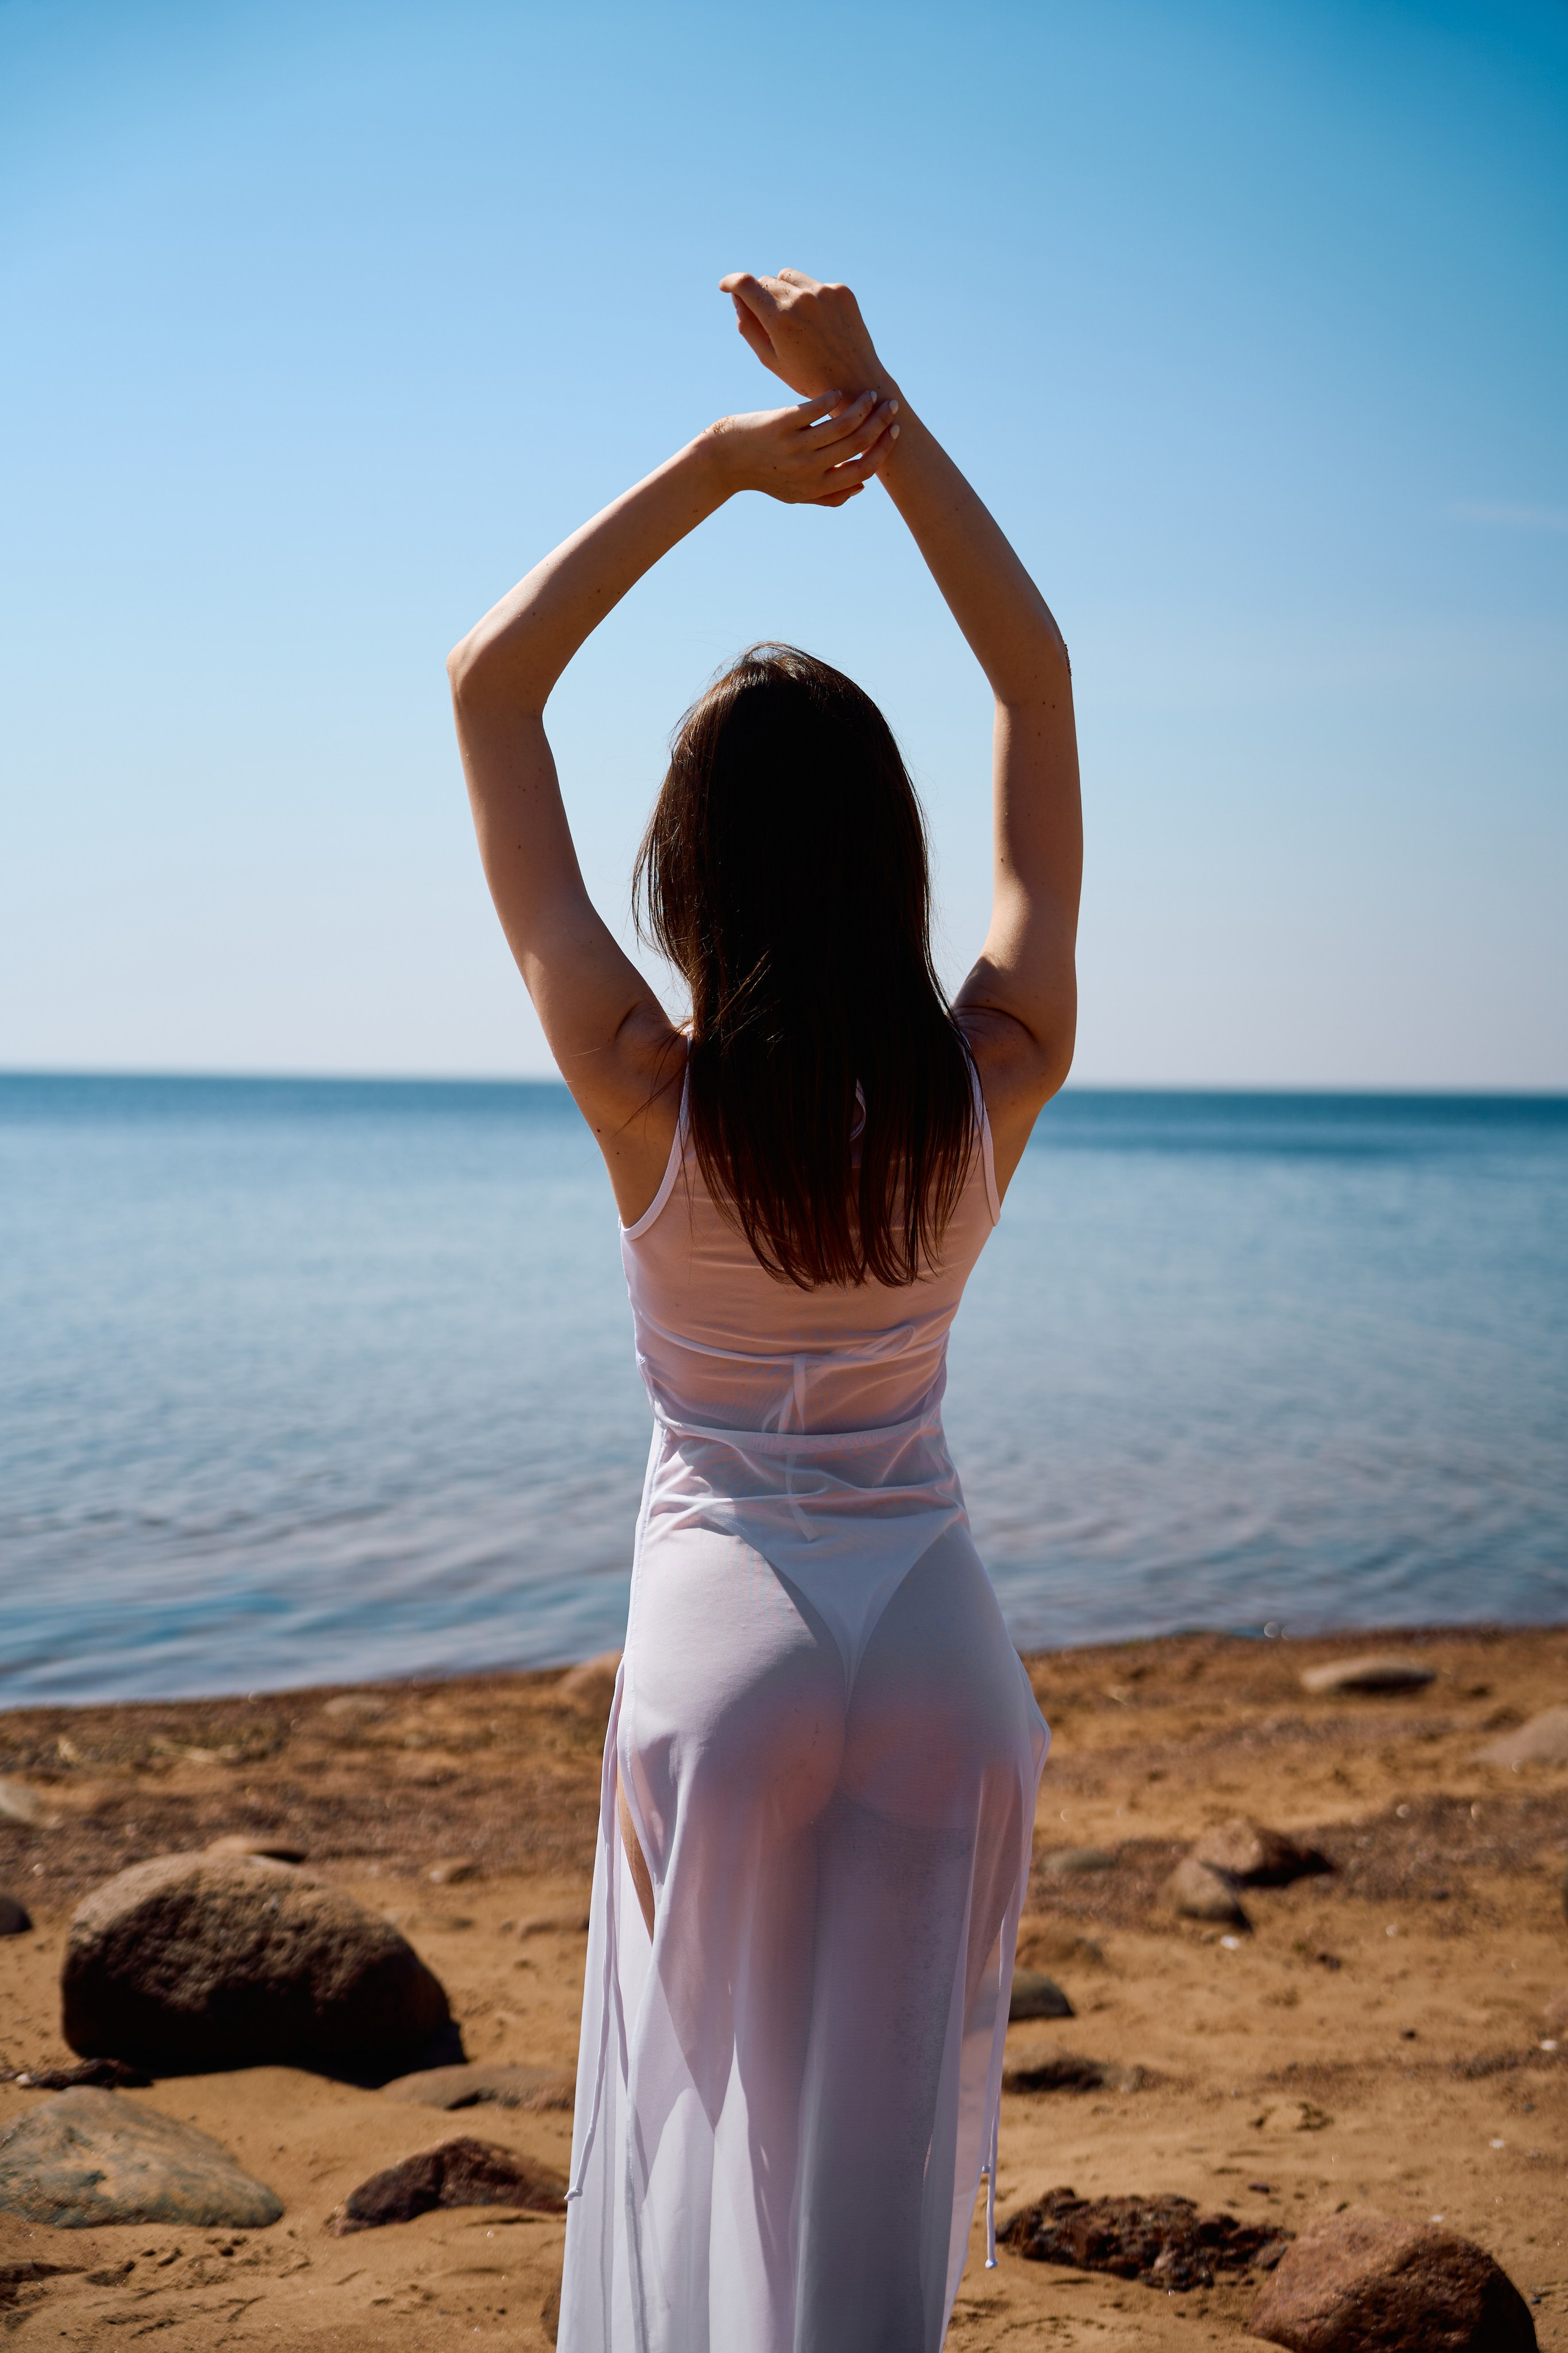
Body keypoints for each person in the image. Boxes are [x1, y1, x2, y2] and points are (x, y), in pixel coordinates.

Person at [447, 267, 1081, 2353]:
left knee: (697, 2159)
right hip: (939, 1654)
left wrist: (730, 471)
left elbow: (489, 687)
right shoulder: (993, 1073)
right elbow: (1038, 681)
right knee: (871, 2201)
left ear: (692, 875)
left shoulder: (648, 1089)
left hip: (728, 1642)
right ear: (889, 861)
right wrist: (874, 406)